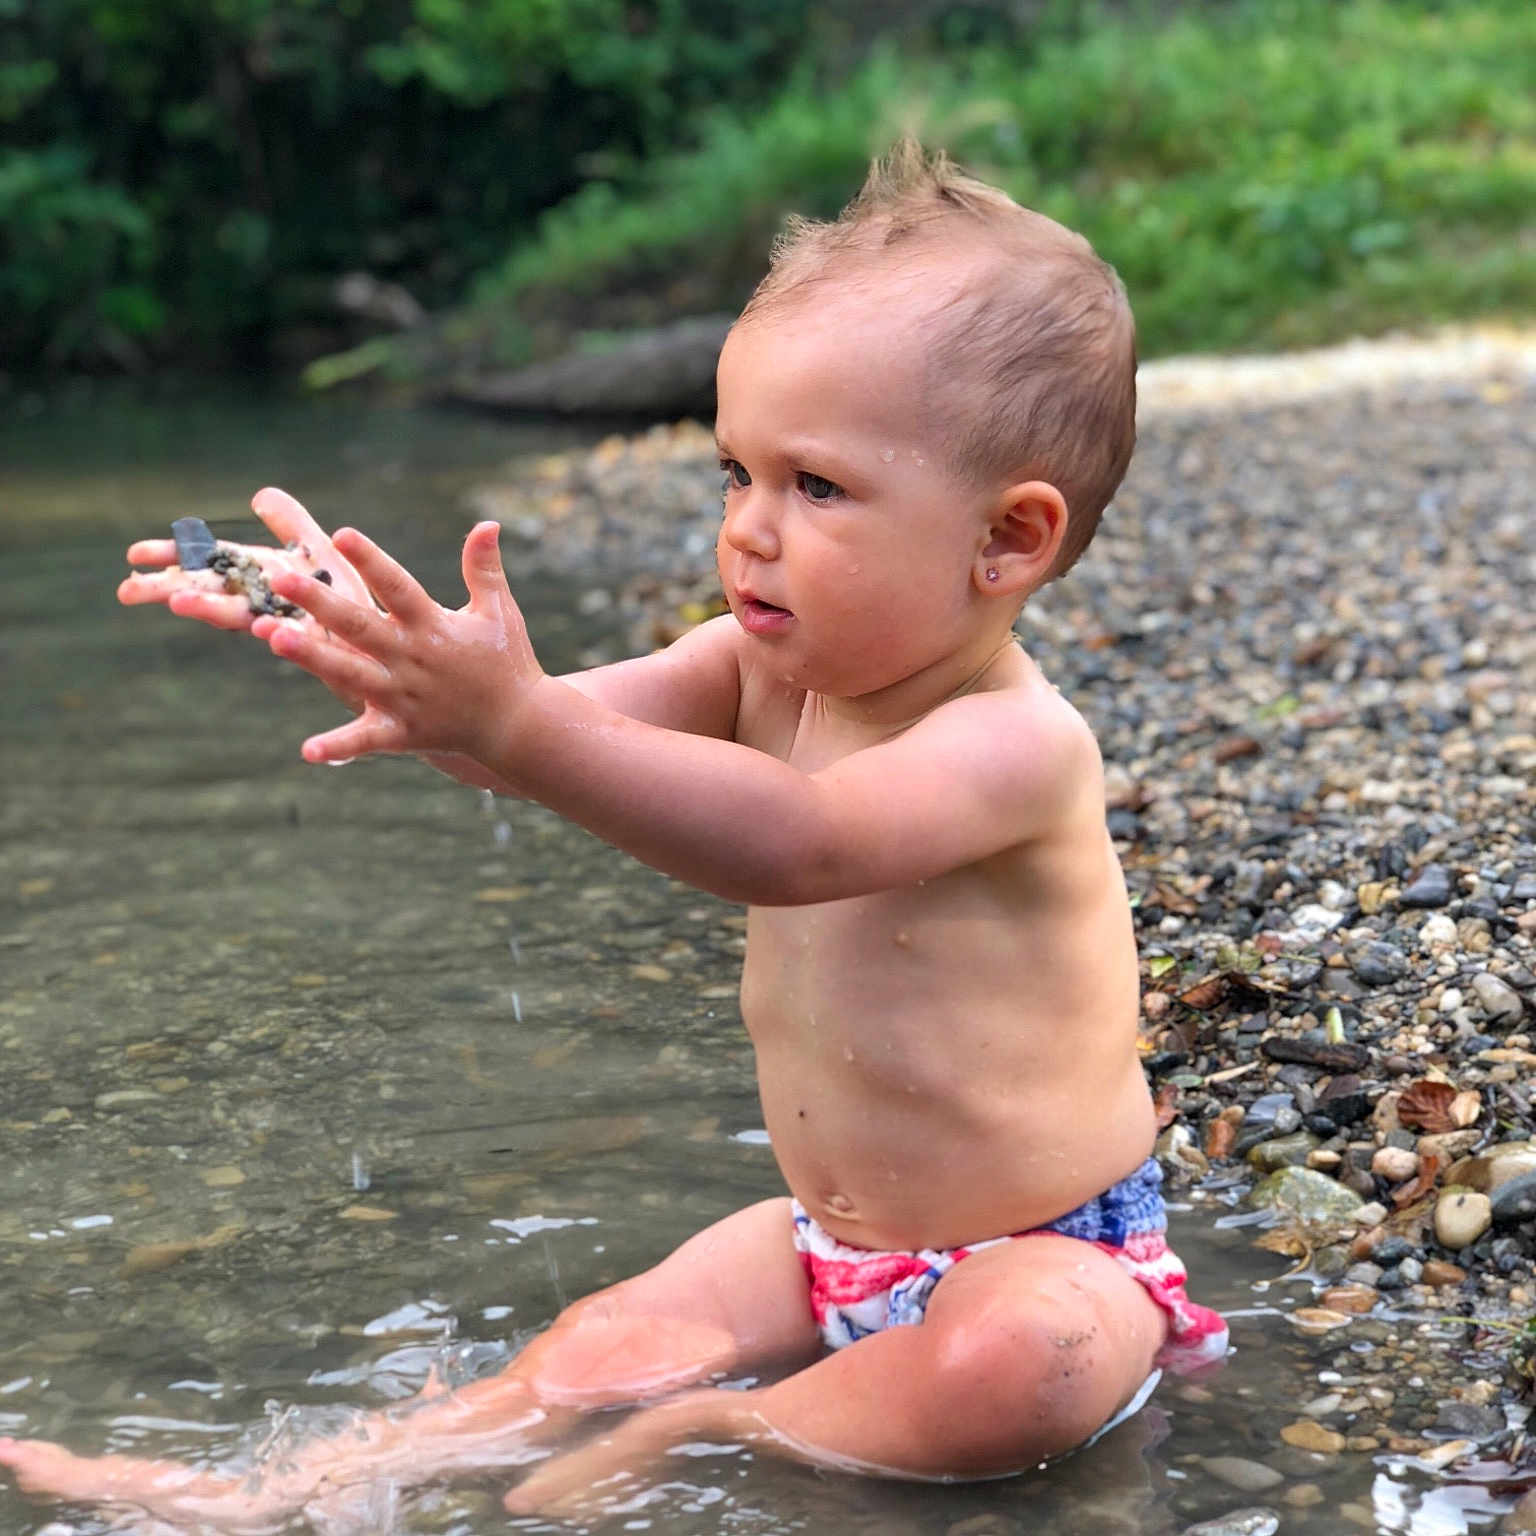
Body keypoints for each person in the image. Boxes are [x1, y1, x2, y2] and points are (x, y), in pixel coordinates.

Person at [0, 141, 1226, 1531]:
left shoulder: (1014, 744)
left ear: (1007, 539)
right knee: (590, 1348)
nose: (749, 531)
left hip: (1044, 1258)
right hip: (826, 1245)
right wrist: (384, 654)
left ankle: (727, 1425)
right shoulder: (754, 670)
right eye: (735, 473)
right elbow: (527, 748)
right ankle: (285, 1488)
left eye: (816, 488)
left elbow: (797, 842)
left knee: (1021, 1370)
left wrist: (513, 719)